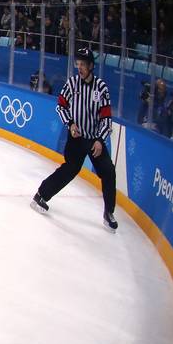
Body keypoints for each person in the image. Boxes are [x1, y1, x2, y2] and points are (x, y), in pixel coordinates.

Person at [32, 48, 118, 230]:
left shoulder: (101, 88)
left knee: (108, 171)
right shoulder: (72, 84)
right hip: (76, 138)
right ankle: (41, 195)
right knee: (70, 169)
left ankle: (108, 212)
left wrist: (100, 140)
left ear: (91, 66)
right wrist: (70, 124)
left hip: (94, 140)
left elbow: (106, 118)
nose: (80, 67)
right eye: (78, 64)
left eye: (83, 64)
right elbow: (61, 106)